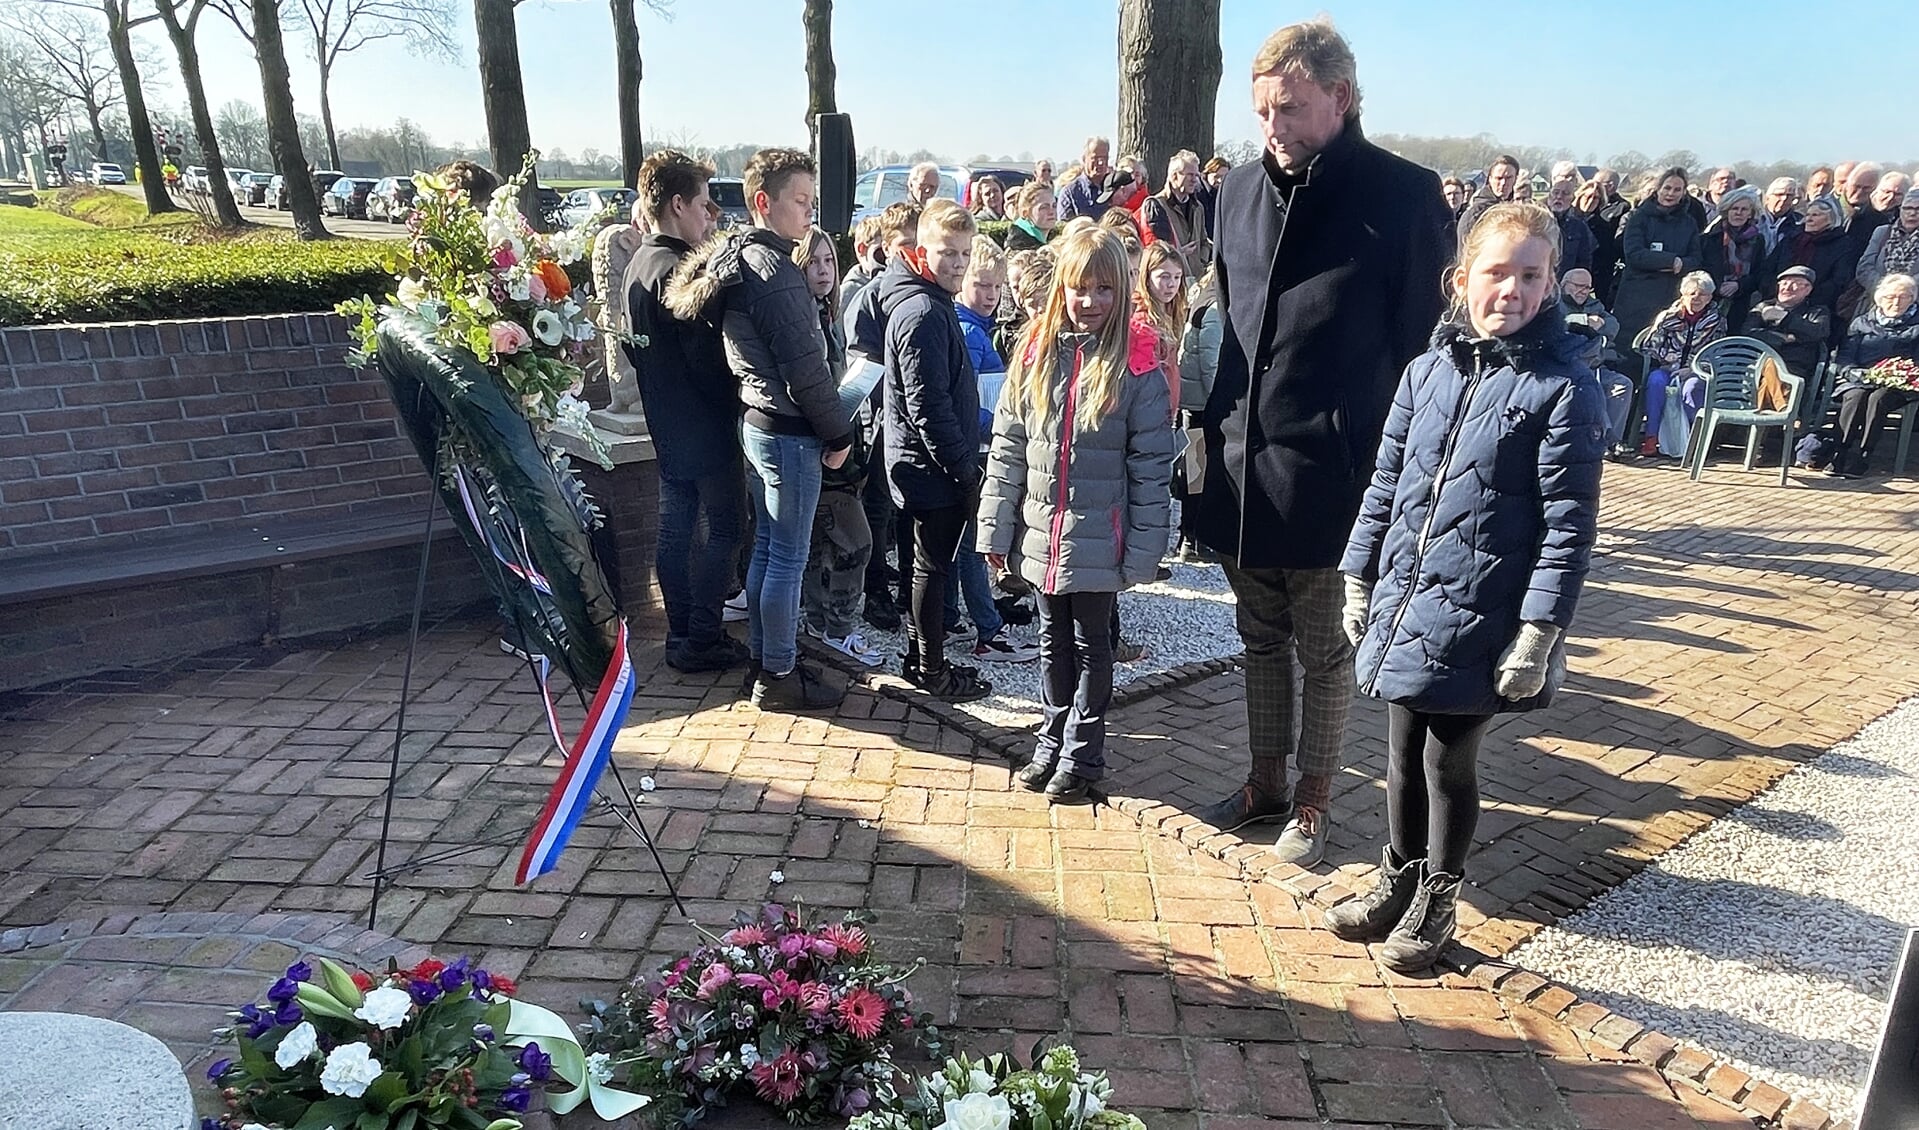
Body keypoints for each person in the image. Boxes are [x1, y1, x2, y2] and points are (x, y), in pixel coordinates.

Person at [1188, 17, 1450, 867]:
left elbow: (1417, 349)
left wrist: (1399, 474)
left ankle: (1312, 798)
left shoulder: (1404, 198)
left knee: (1323, 646)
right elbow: (1229, 327)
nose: (1274, 127)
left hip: (1336, 469)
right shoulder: (1232, 193)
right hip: (1241, 461)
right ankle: (1263, 780)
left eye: (1291, 108)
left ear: (1338, 98)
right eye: (1263, 110)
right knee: (1256, 634)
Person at [1328, 201, 1604, 973]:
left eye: (1529, 275)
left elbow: (1567, 528)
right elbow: (1386, 482)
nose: (1510, 290)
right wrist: (1358, 572)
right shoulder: (1426, 372)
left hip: (1485, 614)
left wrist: (1540, 631)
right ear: (1461, 280)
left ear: (1550, 285)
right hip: (1409, 602)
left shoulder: (1563, 390)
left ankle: (1438, 897)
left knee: (1448, 763)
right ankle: (1397, 878)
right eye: (1496, 273)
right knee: (1397, 754)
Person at [980, 226, 1174, 804]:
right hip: (1043, 532)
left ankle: (1084, 751)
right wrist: (996, 527)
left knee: (1093, 644)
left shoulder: (1137, 368)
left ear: (1122, 290)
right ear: (1062, 287)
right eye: (1079, 288)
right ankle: (1054, 733)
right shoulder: (1036, 354)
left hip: (1098, 536)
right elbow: (1009, 447)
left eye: (1104, 289)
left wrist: (1142, 548)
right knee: (1050, 640)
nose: (1089, 301)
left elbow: (1150, 467)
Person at [665, 147, 850, 712]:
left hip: (759, 421)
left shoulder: (744, 260)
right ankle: (778, 672)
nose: (807, 213)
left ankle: (767, 660)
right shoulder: (774, 270)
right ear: (763, 202)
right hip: (789, 428)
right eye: (799, 201)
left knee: (770, 548)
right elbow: (804, 367)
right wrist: (839, 434)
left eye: (812, 201)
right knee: (787, 555)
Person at [625, 149, 748, 674]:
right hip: (704, 424)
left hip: (668, 420)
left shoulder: (638, 261)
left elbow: (635, 347)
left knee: (675, 529)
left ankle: (682, 634)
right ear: (677, 204)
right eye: (704, 203)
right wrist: (737, 401)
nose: (711, 215)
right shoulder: (680, 270)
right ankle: (701, 635)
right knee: (725, 529)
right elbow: (706, 359)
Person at [876, 199, 993, 701]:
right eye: (948, 253)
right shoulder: (922, 310)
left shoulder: (927, 299)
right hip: (931, 469)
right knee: (930, 570)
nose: (959, 264)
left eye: (965, 253)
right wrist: (966, 472)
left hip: (923, 463)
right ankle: (931, 669)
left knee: (920, 566)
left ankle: (920, 656)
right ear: (921, 251)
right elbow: (929, 408)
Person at [791, 227, 882, 668]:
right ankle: (837, 628)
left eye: (828, 261)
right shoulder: (803, 318)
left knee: (821, 544)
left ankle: (820, 622)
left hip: (836, 444)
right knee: (853, 543)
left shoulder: (826, 313)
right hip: (822, 451)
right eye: (813, 262)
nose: (823, 271)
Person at [951, 235, 1040, 665]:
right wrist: (1008, 428)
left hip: (980, 444)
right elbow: (969, 403)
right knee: (973, 541)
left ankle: (954, 615)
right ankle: (988, 630)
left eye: (997, 286)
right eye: (982, 285)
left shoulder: (976, 328)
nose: (991, 295)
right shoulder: (968, 332)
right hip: (980, 446)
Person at [1828, 273, 1919, 477]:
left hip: (1900, 385)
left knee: (1878, 398)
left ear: (1912, 299)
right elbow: (1844, 357)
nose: (1896, 301)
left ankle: (1863, 456)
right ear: (1880, 299)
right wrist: (1857, 373)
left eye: (1903, 296)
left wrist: (1904, 373)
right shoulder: (1862, 323)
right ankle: (1839, 453)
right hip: (1860, 377)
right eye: (1890, 296)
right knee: (1855, 396)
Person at [1612, 167, 1704, 353]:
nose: (1671, 193)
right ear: (1658, 189)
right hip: (1637, 296)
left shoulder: (1688, 223)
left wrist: (1681, 264)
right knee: (1629, 350)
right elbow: (1635, 255)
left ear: (1683, 192)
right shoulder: (1639, 218)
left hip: (1671, 295)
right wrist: (1672, 262)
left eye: (1677, 189)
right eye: (1667, 188)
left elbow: (1695, 259)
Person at [1637, 271, 1727, 456]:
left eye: (1702, 294)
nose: (1696, 298)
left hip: (1697, 371)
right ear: (1683, 294)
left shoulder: (1717, 321)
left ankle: (1691, 439)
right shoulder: (1668, 317)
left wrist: (1692, 369)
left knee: (1692, 388)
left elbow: (1716, 352)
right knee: (1656, 382)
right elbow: (1651, 344)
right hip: (1667, 367)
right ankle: (1651, 437)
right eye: (1692, 293)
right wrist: (1671, 361)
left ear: (1709, 298)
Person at [1175, 266, 1223, 560]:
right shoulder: (1216, 306)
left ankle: (1188, 538)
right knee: (1201, 476)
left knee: (1194, 474)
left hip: (1193, 402)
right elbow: (1211, 362)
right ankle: (1195, 539)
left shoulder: (1202, 296)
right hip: (1205, 404)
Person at [1559, 268, 1633, 456]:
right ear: (1565, 284)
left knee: (1622, 384)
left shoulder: (1595, 305)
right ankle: (1604, 440)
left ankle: (1610, 441)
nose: (1583, 291)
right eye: (1578, 286)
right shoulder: (1554, 303)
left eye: (1587, 288)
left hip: (1596, 364)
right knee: (1593, 386)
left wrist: (1598, 327)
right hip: (1568, 367)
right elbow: (1560, 324)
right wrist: (1584, 321)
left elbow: (1613, 324)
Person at [1758, 195, 1856, 325]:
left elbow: (1840, 280)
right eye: (1808, 214)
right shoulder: (1792, 238)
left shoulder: (1842, 244)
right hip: (1777, 300)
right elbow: (1768, 268)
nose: (1809, 219)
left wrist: (1804, 296)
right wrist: (1775, 292)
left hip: (1814, 308)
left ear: (1831, 219)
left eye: (1815, 215)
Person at [593, 198, 648, 413]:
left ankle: (628, 395)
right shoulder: (624, 248)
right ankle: (620, 395)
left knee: (619, 341)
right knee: (614, 339)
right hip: (617, 309)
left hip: (624, 315)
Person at [1747, 265, 1831, 385]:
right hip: (1756, 361)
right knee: (1766, 369)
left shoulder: (1817, 311)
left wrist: (1785, 317)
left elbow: (1818, 332)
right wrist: (1783, 338)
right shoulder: (1763, 307)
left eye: (1796, 283)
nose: (1787, 288)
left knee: (1772, 374)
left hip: (1792, 366)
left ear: (1808, 290)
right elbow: (1749, 333)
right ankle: (1781, 404)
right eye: (1784, 283)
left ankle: (1779, 403)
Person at [1133, 241, 1188, 411]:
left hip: (1168, 406)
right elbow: (1145, 380)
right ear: (1147, 278)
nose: (1172, 284)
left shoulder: (1171, 310)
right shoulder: (1142, 320)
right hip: (1152, 410)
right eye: (1164, 277)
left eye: (1177, 277)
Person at [1700, 185, 1765, 327]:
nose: (1738, 213)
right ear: (1726, 211)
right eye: (1734, 209)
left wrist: (1738, 285)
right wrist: (1717, 286)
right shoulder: (1709, 239)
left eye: (1744, 209)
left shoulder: (1757, 240)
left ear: (1751, 213)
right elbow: (1701, 268)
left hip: (1741, 302)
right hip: (1710, 300)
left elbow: (1760, 272)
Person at [1141, 149, 1214, 275]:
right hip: (1169, 278)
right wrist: (1178, 253)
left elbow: (1203, 240)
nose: (1195, 180)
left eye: (1197, 175)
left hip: (1196, 278)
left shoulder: (1198, 208)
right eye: (1190, 175)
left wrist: (1201, 260)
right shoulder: (1156, 205)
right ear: (1174, 176)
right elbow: (1153, 248)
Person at [1577, 169, 1632, 306]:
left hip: (1604, 263)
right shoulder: (1575, 215)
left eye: (1599, 183)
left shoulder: (1621, 207)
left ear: (1611, 185)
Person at [1854, 187, 1919, 294]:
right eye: (1907, 208)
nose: (1912, 213)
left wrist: (1902, 290)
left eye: (1918, 209)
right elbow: (1864, 268)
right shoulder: (1882, 232)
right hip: (1878, 298)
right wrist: (1884, 289)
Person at [1057, 137, 1128, 222]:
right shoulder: (1070, 193)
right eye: (1095, 158)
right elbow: (1064, 228)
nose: (1101, 163)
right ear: (1084, 159)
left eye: (1104, 158)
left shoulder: (1116, 187)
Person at [1457, 154, 1519, 240]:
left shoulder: (1519, 210)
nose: (1503, 183)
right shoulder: (1476, 214)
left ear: (1516, 178)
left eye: (1509, 178)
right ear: (1490, 179)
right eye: (1499, 178)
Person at [1545, 179, 1595, 277]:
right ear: (1549, 196)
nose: (1559, 197)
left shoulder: (1579, 227)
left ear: (1572, 199)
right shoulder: (1538, 222)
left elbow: (1584, 262)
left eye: (1565, 193)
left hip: (1565, 283)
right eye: (1556, 192)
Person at [1004, 183, 1056, 252]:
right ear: (1025, 213)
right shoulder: (1020, 247)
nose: (1051, 212)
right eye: (1044, 207)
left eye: (1054, 206)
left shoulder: (1037, 240)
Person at [1760, 177, 1800, 252]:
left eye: (1789, 195)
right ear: (1768, 197)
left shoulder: (1799, 222)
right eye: (1779, 194)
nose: (1784, 198)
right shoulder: (1754, 220)